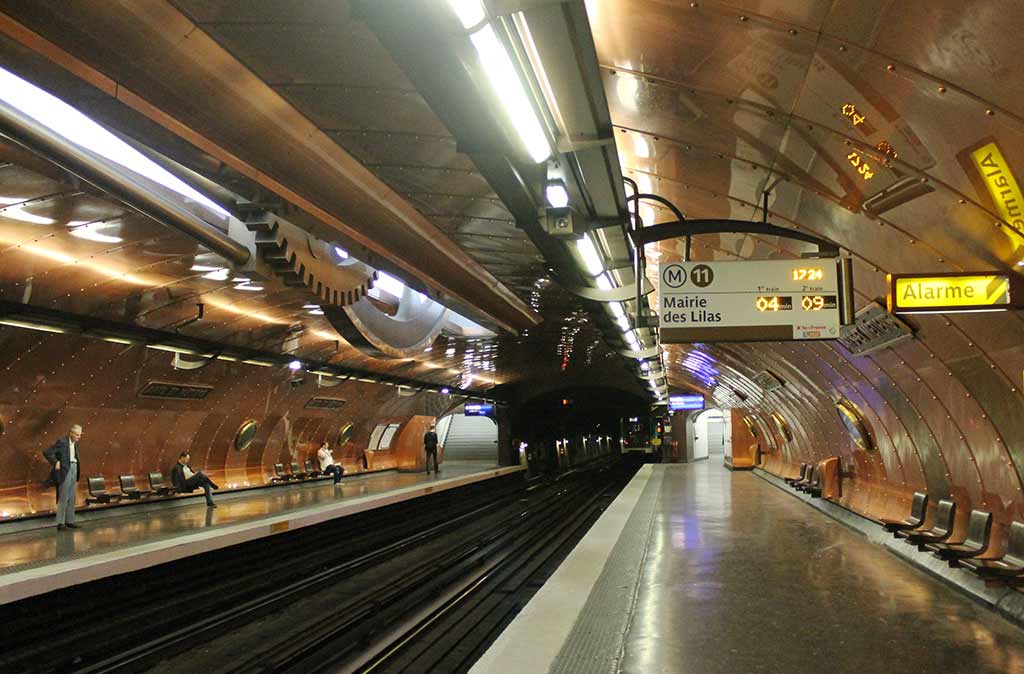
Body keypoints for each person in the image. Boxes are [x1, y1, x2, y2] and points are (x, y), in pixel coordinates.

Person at [42, 424, 84, 530]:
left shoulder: (75, 443)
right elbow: (47, 452)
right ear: (71, 433)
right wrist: (55, 462)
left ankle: (70, 521)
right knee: (63, 497)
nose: (79, 437)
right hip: (65, 470)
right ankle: (60, 523)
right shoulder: (62, 442)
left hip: (74, 468)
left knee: (72, 496)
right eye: (77, 435)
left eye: (80, 435)